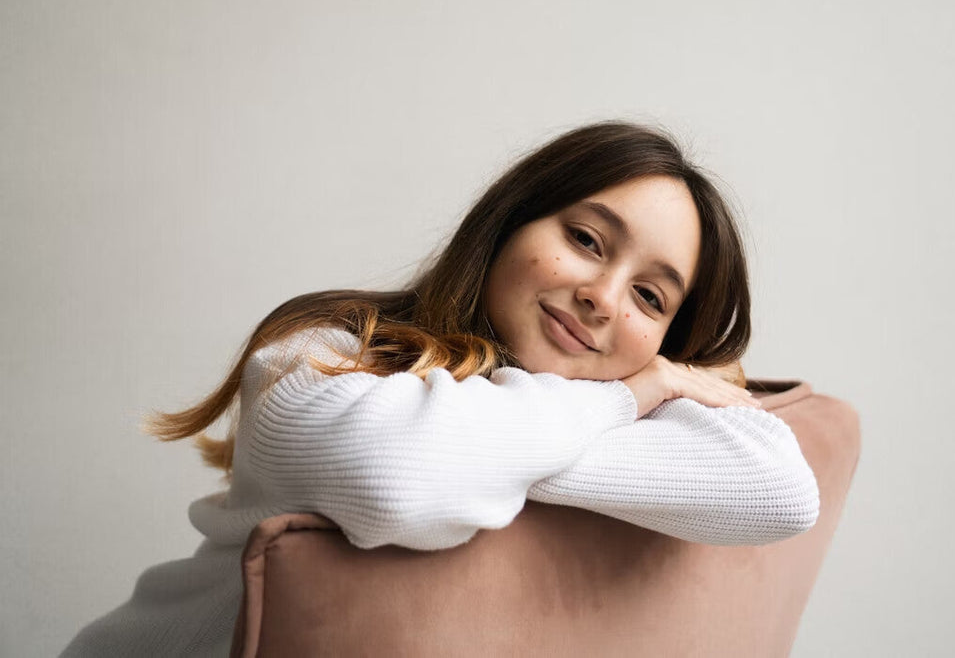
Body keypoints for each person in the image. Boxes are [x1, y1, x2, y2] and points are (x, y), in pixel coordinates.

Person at [61, 121, 820, 656]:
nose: (603, 296)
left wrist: (611, 403)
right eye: (586, 240)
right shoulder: (321, 352)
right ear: (509, 225)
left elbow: (782, 489)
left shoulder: (595, 404)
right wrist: (627, 396)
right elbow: (395, 476)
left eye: (651, 298)